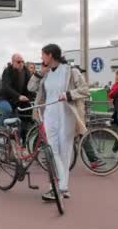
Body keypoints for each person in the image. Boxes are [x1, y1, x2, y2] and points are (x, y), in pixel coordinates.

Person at [28, 44, 89, 201]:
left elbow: (84, 90)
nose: (41, 58)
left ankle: (60, 187)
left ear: (50, 55)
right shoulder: (46, 74)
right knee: (52, 151)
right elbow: (30, 87)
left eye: (43, 55)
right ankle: (59, 186)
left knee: (65, 152)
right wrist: (40, 73)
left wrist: (68, 94)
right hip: (49, 116)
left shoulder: (70, 71)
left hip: (66, 115)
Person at [0, 53, 35, 124]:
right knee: (7, 110)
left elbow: (29, 86)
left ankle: (25, 132)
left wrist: (33, 96)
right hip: (3, 98)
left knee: (30, 112)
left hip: (17, 100)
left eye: (23, 61)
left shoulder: (26, 71)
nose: (21, 64)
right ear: (13, 62)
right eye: (18, 62)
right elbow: (6, 87)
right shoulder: (7, 71)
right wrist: (18, 96)